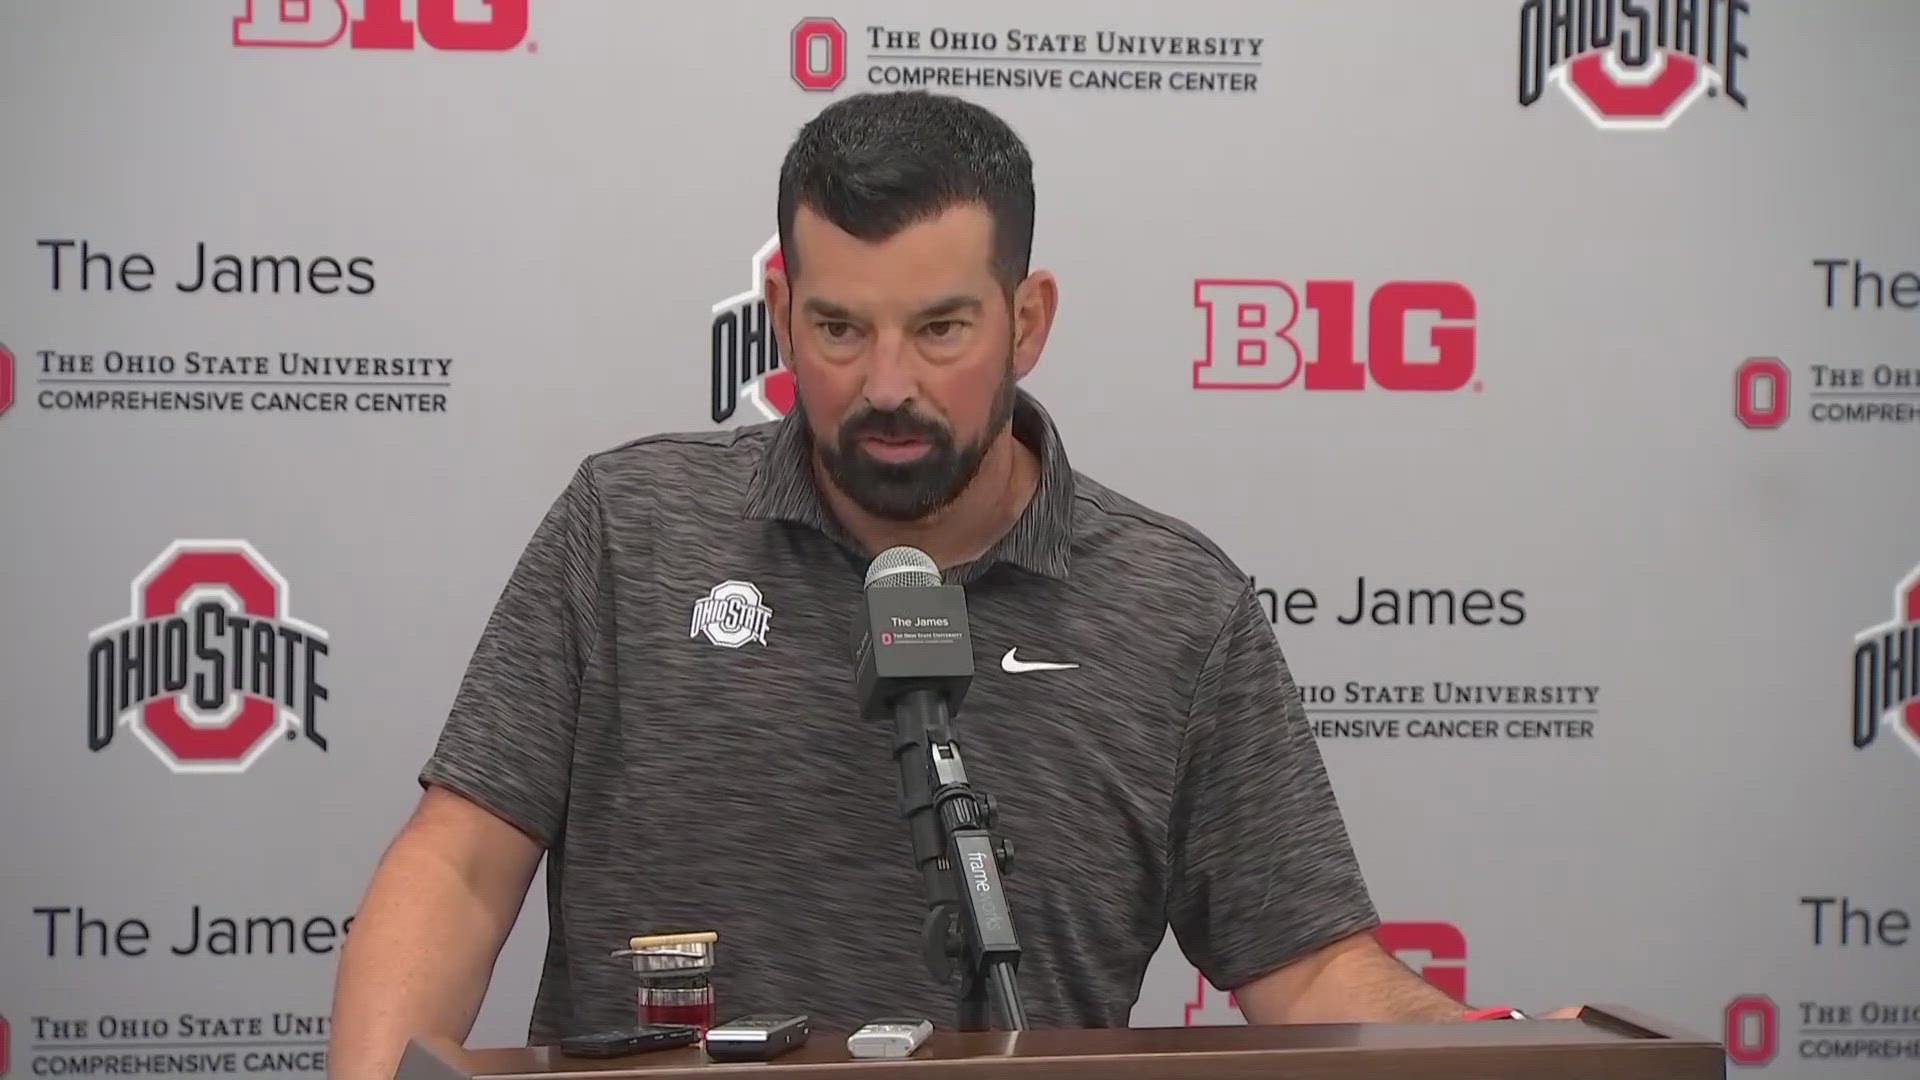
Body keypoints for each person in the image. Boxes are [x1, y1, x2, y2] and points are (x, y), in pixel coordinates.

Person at [327, 90, 1560, 1079]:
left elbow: (1311, 973)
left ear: (1029, 319)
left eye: (941, 329)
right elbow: (459, 865)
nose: (887, 385)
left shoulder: (1181, 612)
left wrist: (1515, 1063)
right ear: (779, 313)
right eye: (840, 329)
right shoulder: (628, 528)